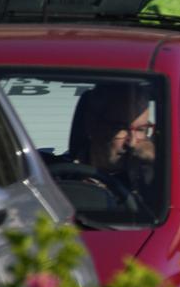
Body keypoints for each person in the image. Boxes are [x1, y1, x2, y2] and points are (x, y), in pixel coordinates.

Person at [66, 85, 158, 215]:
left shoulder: (153, 183)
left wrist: (160, 164)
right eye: (121, 128)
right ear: (93, 124)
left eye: (140, 130)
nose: (131, 143)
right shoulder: (53, 177)